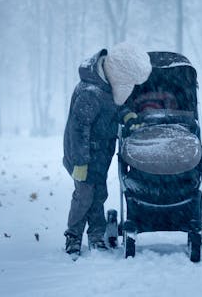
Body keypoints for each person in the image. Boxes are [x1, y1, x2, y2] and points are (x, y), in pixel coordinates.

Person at [62, 42, 151, 257]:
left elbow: (116, 105)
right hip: (82, 155)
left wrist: (127, 115)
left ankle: (95, 236)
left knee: (99, 195)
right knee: (84, 196)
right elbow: (78, 129)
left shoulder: (107, 85)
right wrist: (80, 162)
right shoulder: (90, 93)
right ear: (117, 74)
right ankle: (73, 237)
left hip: (100, 154)